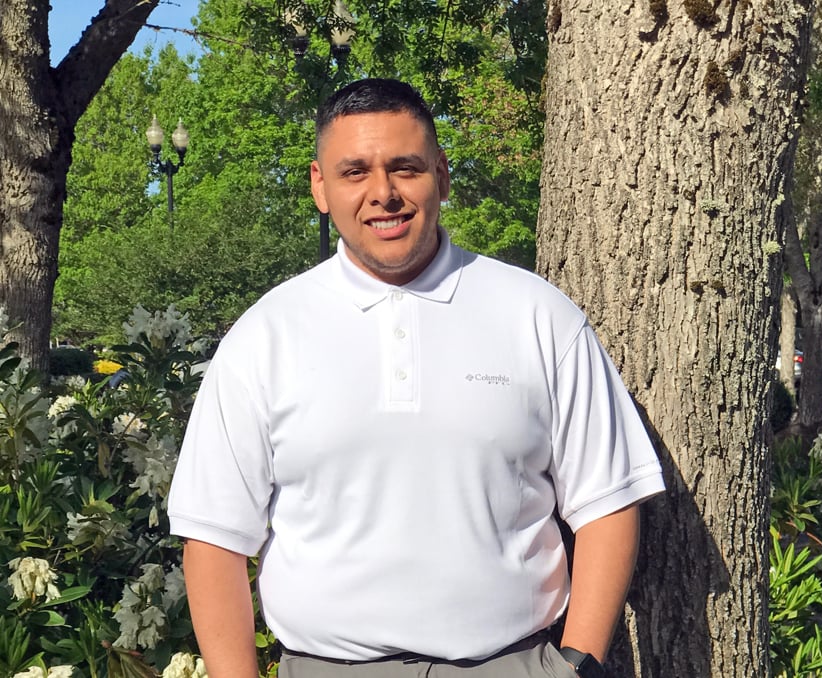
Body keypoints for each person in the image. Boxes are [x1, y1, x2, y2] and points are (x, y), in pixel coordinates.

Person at [167, 78, 664, 678]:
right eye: (355, 172)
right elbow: (215, 539)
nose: (384, 193)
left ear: (442, 175)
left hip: (514, 664)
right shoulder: (264, 336)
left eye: (406, 168)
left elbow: (607, 499)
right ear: (320, 187)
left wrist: (576, 663)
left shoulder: (538, 315)